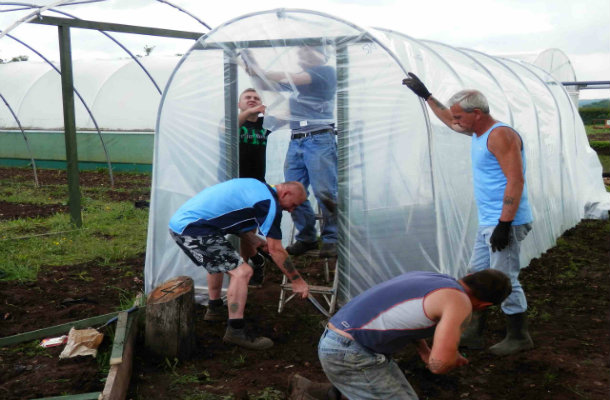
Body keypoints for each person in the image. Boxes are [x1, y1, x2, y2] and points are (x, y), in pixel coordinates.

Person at [402, 73, 535, 356]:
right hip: (491, 220)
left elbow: (515, 180)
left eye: (460, 116)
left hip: (506, 221)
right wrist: (426, 95)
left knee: (504, 276)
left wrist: (504, 223)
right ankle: (473, 330)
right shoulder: (476, 131)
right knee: (475, 274)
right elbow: (448, 120)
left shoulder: (500, 134)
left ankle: (519, 335)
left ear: (477, 113)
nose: (455, 122)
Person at [303, 269, 511, 400]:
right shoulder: (460, 302)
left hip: (343, 343)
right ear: (484, 305)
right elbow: (438, 365)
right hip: (351, 353)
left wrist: (424, 350)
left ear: (468, 276)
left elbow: (405, 318)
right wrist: (447, 360)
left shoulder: (433, 278)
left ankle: (328, 392)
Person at [168, 178, 310, 350]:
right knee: (242, 272)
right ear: (286, 193)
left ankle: (214, 309)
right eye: (293, 204)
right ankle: (235, 331)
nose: (291, 210)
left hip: (186, 224)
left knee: (220, 261)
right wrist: (296, 280)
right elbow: (276, 250)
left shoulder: (257, 187)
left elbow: (231, 217)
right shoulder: (269, 203)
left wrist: (251, 237)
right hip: (193, 229)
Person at [242, 45, 338, 258]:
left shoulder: (325, 72)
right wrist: (252, 67)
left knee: (325, 191)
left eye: (308, 50)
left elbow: (292, 77)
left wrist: (259, 70)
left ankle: (332, 239)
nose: (302, 53)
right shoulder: (296, 85)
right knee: (292, 192)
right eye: (301, 51)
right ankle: (307, 238)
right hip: (296, 140)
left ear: (322, 55)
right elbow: (264, 83)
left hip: (319, 138)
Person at [238, 88, 270, 183]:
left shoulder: (266, 123)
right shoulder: (229, 119)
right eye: (248, 97)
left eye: (256, 98)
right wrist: (250, 111)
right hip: (233, 178)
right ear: (238, 105)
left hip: (258, 181)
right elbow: (228, 128)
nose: (252, 99)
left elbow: (287, 115)